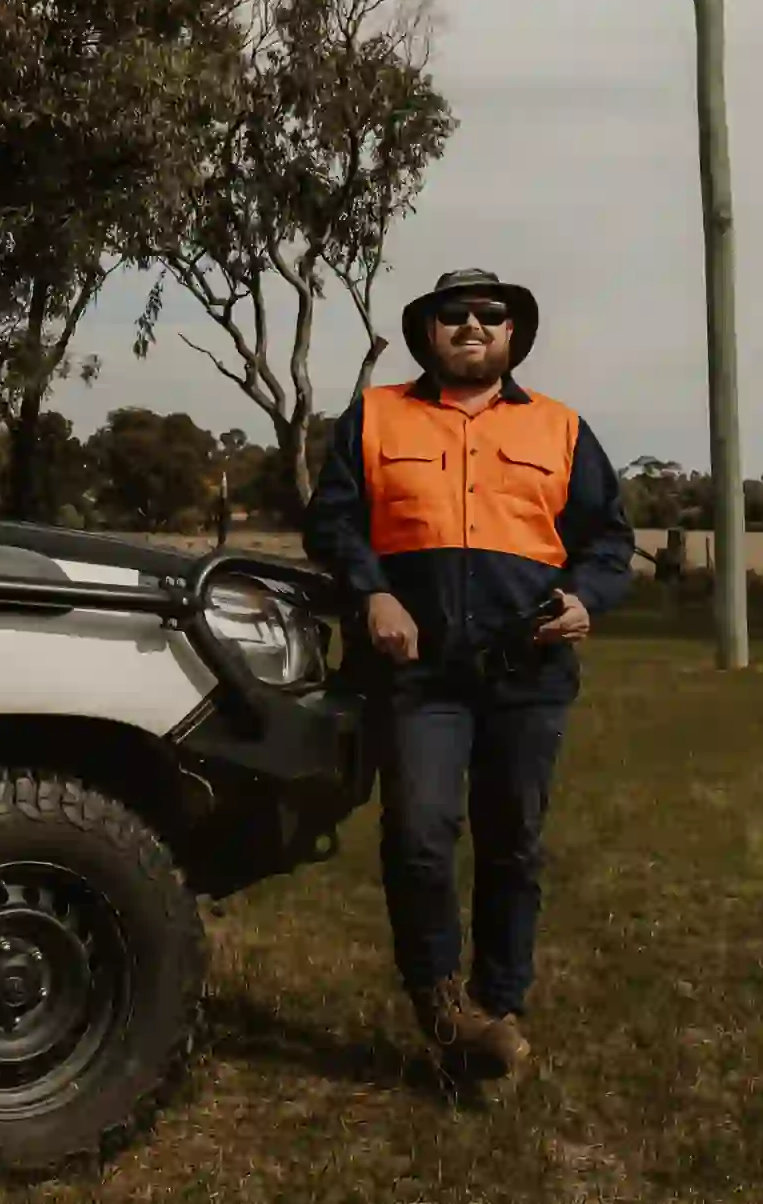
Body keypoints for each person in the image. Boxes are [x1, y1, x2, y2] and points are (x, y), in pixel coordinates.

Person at [303, 267, 633, 1077]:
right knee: (419, 835)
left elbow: (609, 541)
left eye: (492, 314)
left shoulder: (561, 429)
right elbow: (334, 523)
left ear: (513, 335)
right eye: (455, 314)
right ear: (429, 333)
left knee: (513, 841)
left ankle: (499, 1003)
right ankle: (441, 999)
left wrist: (589, 598)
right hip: (419, 675)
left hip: (530, 672)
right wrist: (373, 593)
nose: (473, 325)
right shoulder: (377, 416)